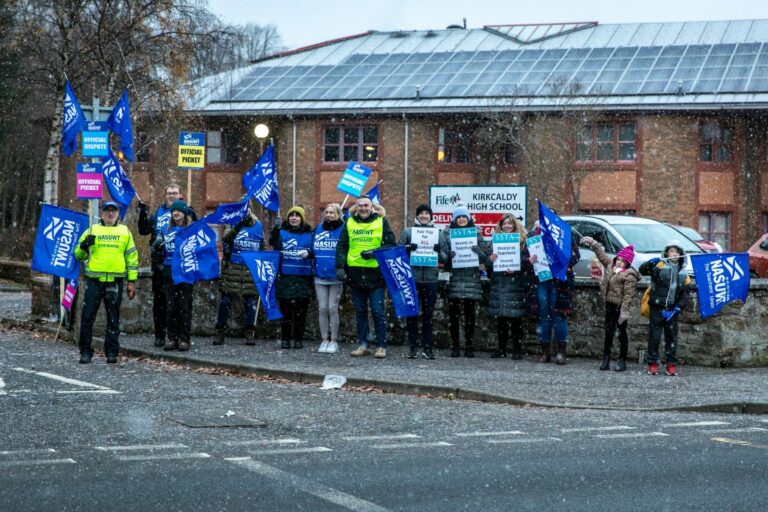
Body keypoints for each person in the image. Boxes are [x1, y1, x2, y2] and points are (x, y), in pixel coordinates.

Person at [74, 200, 138, 364]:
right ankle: (85, 352)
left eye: (113, 211)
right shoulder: (92, 229)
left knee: (113, 319)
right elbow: (78, 255)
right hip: (94, 281)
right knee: (88, 318)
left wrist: (132, 281)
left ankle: (112, 353)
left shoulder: (125, 232)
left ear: (117, 213)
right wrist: (83, 246)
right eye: (107, 210)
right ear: (101, 213)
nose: (110, 213)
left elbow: (132, 258)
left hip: (115, 281)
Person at [335, 196, 396, 358]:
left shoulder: (382, 222)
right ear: (356, 207)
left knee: (377, 311)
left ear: (372, 207)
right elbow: (342, 245)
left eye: (366, 205)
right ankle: (363, 344)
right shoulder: (349, 222)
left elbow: (391, 244)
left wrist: (375, 253)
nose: (363, 208)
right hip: (355, 275)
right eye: (360, 205)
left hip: (376, 275)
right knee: (360, 311)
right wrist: (340, 267)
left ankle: (381, 345)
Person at [580, 237, 640, 372]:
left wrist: (624, 311)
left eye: (623, 261)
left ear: (627, 264)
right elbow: (602, 255)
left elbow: (628, 295)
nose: (619, 263)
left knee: (621, 333)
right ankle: (606, 358)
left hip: (620, 307)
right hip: (609, 304)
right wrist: (593, 243)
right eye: (618, 259)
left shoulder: (629, 276)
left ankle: (622, 360)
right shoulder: (610, 266)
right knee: (608, 332)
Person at [439, 206, 488, 358]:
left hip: (471, 280)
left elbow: (485, 257)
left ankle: (469, 346)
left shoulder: (476, 234)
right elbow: (442, 257)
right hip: (453, 279)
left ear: (468, 219)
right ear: (454, 219)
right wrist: (449, 255)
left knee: (470, 316)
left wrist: (477, 252)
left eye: (464, 217)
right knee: (453, 316)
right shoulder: (446, 234)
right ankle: (455, 346)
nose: (461, 219)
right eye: (459, 217)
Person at [529, 219, 580, 365]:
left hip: (560, 283)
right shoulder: (533, 238)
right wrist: (529, 261)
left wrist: (562, 259)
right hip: (542, 281)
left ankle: (561, 352)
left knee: (559, 316)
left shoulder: (565, 237)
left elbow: (576, 256)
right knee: (543, 316)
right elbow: (524, 259)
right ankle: (545, 351)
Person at [639, 240, 691, 376]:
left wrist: (678, 307)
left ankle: (671, 364)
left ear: (681, 254)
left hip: (672, 309)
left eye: (677, 251)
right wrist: (651, 262)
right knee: (654, 337)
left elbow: (685, 294)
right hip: (657, 307)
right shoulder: (659, 266)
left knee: (671, 337)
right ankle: (653, 363)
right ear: (667, 252)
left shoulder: (684, 273)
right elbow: (642, 270)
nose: (674, 254)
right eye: (672, 251)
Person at [399, 204, 445, 360]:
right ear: (417, 216)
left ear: (431, 216)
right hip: (413, 278)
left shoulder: (438, 233)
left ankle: (427, 348)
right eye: (421, 213)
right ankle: (413, 347)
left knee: (428, 315)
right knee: (412, 314)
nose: (424, 216)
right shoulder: (408, 232)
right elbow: (399, 253)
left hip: (431, 279)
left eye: (427, 213)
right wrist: (407, 248)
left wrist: (440, 251)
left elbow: (446, 258)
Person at [214, 207, 265, 346]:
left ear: (250, 209)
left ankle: (249, 332)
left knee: (251, 303)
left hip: (250, 270)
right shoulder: (232, 223)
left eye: (246, 208)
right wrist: (239, 225)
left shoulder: (258, 225)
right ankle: (220, 331)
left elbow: (262, 247)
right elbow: (226, 239)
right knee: (225, 302)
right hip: (232, 269)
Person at [137, 184, 179, 347]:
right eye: (169, 193)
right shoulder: (158, 213)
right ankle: (159, 334)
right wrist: (142, 213)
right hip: (159, 262)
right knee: (160, 301)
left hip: (177, 262)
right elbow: (143, 230)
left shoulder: (185, 212)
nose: (171, 196)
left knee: (176, 302)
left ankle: (174, 335)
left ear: (180, 195)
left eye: (175, 193)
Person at [487, 214, 532, 359]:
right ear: (500, 226)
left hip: (515, 284)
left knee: (516, 320)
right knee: (501, 319)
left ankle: (517, 350)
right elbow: (487, 267)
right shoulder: (494, 243)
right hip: (499, 284)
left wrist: (516, 268)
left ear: (514, 225)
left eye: (509, 224)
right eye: (504, 224)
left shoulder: (522, 242)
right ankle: (501, 349)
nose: (507, 226)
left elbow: (527, 263)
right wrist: (490, 260)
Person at [270, 205, 314, 350]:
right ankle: (285, 339)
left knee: (301, 311)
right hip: (286, 276)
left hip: (303, 277)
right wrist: (276, 229)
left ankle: (298, 339)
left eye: (297, 215)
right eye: (291, 215)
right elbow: (274, 244)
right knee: (286, 311)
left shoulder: (310, 233)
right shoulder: (282, 232)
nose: (294, 218)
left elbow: (315, 251)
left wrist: (308, 252)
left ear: (302, 218)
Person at [152, 200, 193, 351]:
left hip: (185, 273)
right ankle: (171, 338)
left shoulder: (190, 229)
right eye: (174, 211)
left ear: (184, 213)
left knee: (184, 307)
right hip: (169, 272)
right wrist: (160, 263)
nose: (176, 213)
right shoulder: (165, 229)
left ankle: (184, 338)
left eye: (179, 211)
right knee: (170, 307)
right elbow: (156, 250)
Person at [313, 203, 345, 354]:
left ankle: (334, 341)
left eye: (332, 212)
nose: (329, 215)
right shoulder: (318, 229)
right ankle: (324, 339)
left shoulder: (343, 229)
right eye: (327, 212)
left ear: (338, 214)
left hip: (336, 275)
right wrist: (308, 253)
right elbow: (313, 248)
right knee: (322, 308)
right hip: (320, 274)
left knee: (332, 308)